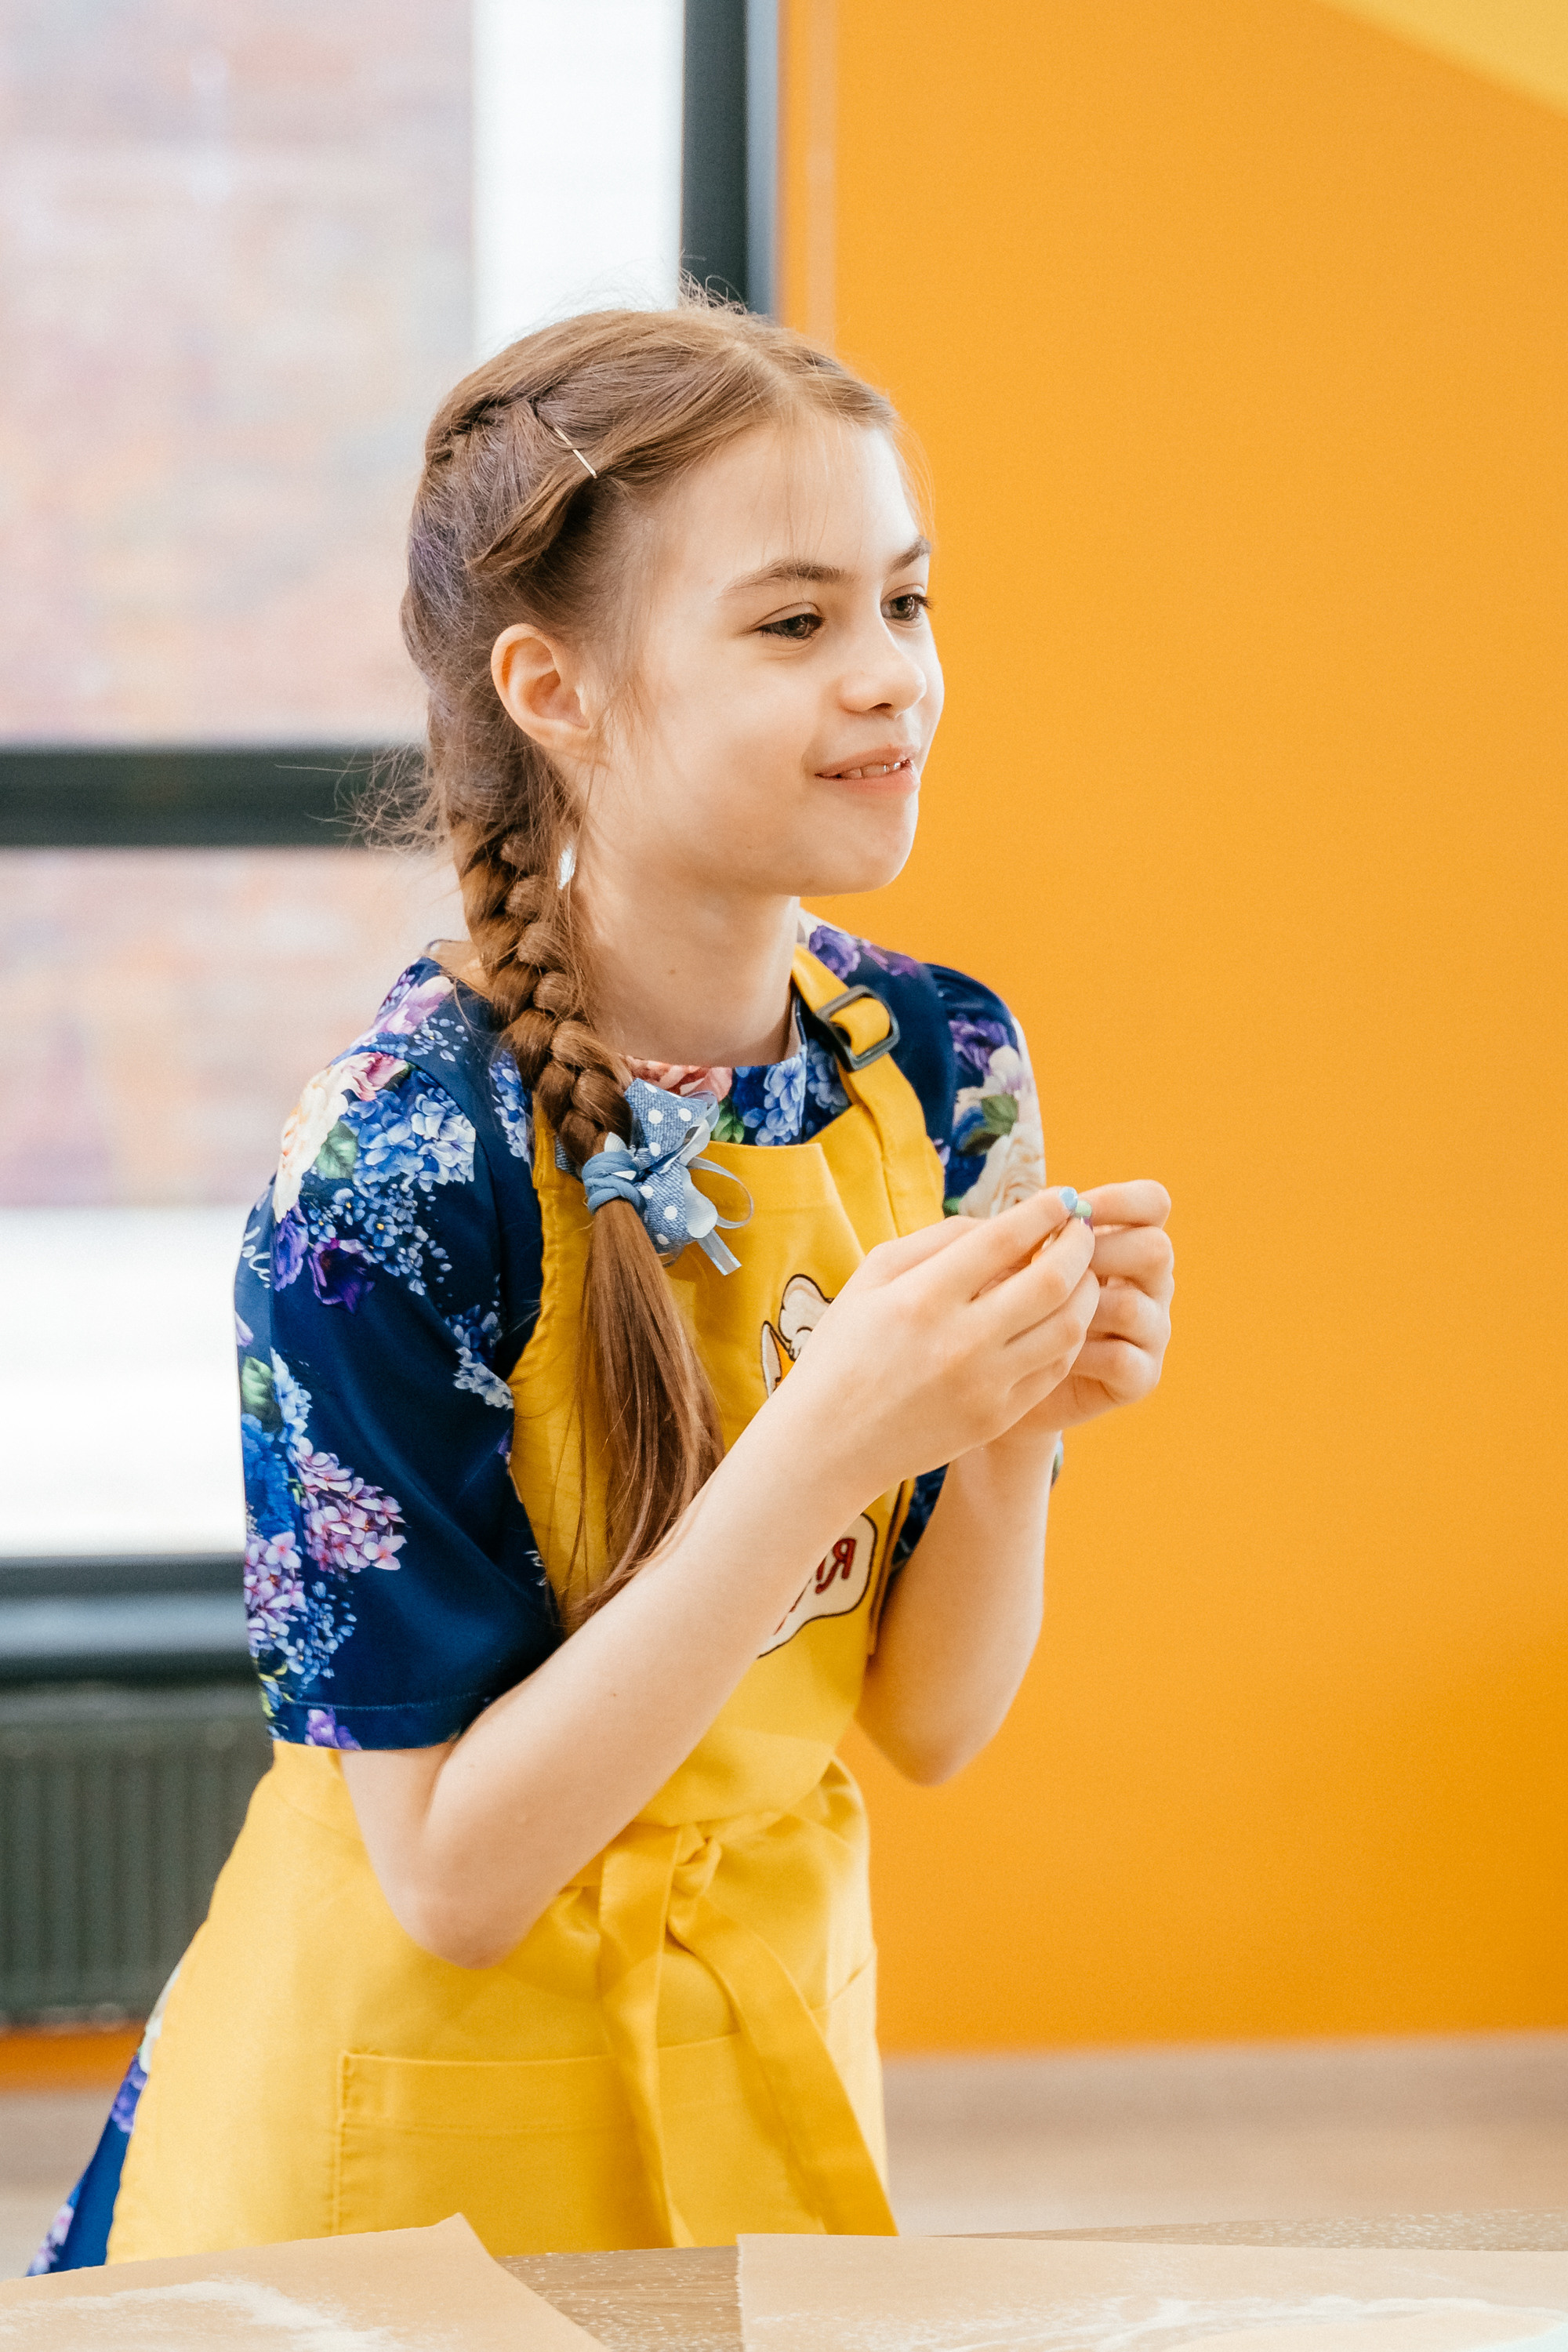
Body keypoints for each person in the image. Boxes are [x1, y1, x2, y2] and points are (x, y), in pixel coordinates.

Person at [34, 299, 1174, 2268]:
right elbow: (456, 1876)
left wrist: (1007, 1434)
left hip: (761, 2057)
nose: (892, 680)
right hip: (396, 2148)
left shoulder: (942, 1065)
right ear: (552, 687)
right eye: (793, 622)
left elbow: (926, 1724)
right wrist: (828, 1441)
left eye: (905, 602)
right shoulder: (390, 1173)